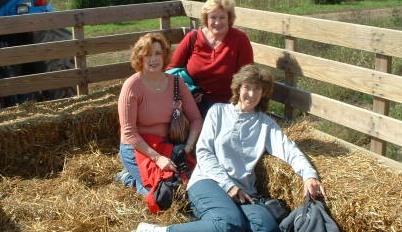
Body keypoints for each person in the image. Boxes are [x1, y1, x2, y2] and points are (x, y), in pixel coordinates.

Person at [135, 64, 325, 232]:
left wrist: (309, 175)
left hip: (244, 190)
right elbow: (204, 152)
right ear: (238, 88)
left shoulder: (266, 124)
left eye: (257, 89)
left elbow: (289, 150)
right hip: (208, 181)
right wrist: (229, 186)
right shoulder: (218, 111)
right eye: (247, 88)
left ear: (263, 93)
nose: (251, 94)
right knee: (228, 224)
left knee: (266, 227)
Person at [116, 32, 202, 195]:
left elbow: (196, 119)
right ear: (140, 58)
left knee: (186, 185)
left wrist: (187, 147)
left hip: (168, 144)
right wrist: (158, 159)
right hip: (138, 148)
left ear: (165, 56)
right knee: (160, 193)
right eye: (147, 54)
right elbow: (129, 132)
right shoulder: (132, 86)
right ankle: (129, 178)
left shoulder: (177, 82)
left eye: (157, 53)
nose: (153, 59)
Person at [167, 0, 253, 118]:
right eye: (213, 17)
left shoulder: (239, 39)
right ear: (206, 19)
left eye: (222, 17)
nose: (217, 22)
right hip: (192, 104)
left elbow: (248, 76)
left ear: (229, 19)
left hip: (227, 105)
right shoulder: (193, 38)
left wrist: (238, 104)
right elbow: (170, 70)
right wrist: (188, 92)